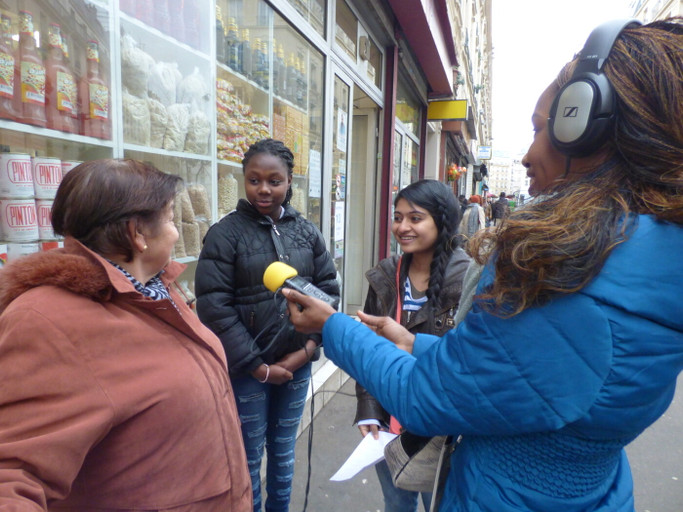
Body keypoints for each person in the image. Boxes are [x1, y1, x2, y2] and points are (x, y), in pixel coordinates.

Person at [281, 18, 683, 512]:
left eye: (540, 129)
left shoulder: (559, 266)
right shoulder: (651, 262)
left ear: (583, 124)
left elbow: (427, 397)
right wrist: (415, 342)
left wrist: (335, 327)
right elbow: (518, 375)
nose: (531, 153)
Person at [0, 159, 252, 510]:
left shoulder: (154, 288)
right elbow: (11, 476)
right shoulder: (45, 322)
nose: (177, 231)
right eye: (168, 218)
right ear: (137, 233)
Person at [195, 138, 339, 512]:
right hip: (247, 370)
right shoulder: (224, 235)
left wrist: (307, 351)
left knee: (283, 452)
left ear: (290, 181)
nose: (264, 189)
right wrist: (258, 366)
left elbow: (329, 294)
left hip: (298, 364)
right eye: (254, 180)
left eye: (274, 181)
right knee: (246, 459)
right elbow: (215, 308)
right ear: (244, 180)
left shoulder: (306, 232)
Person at [355, 180, 470, 512]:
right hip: (389, 427)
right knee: (396, 504)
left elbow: (470, 362)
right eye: (397, 217)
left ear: (442, 221)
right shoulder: (385, 275)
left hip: (444, 433)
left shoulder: (468, 279)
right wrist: (370, 410)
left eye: (415, 218)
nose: (402, 227)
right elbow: (368, 350)